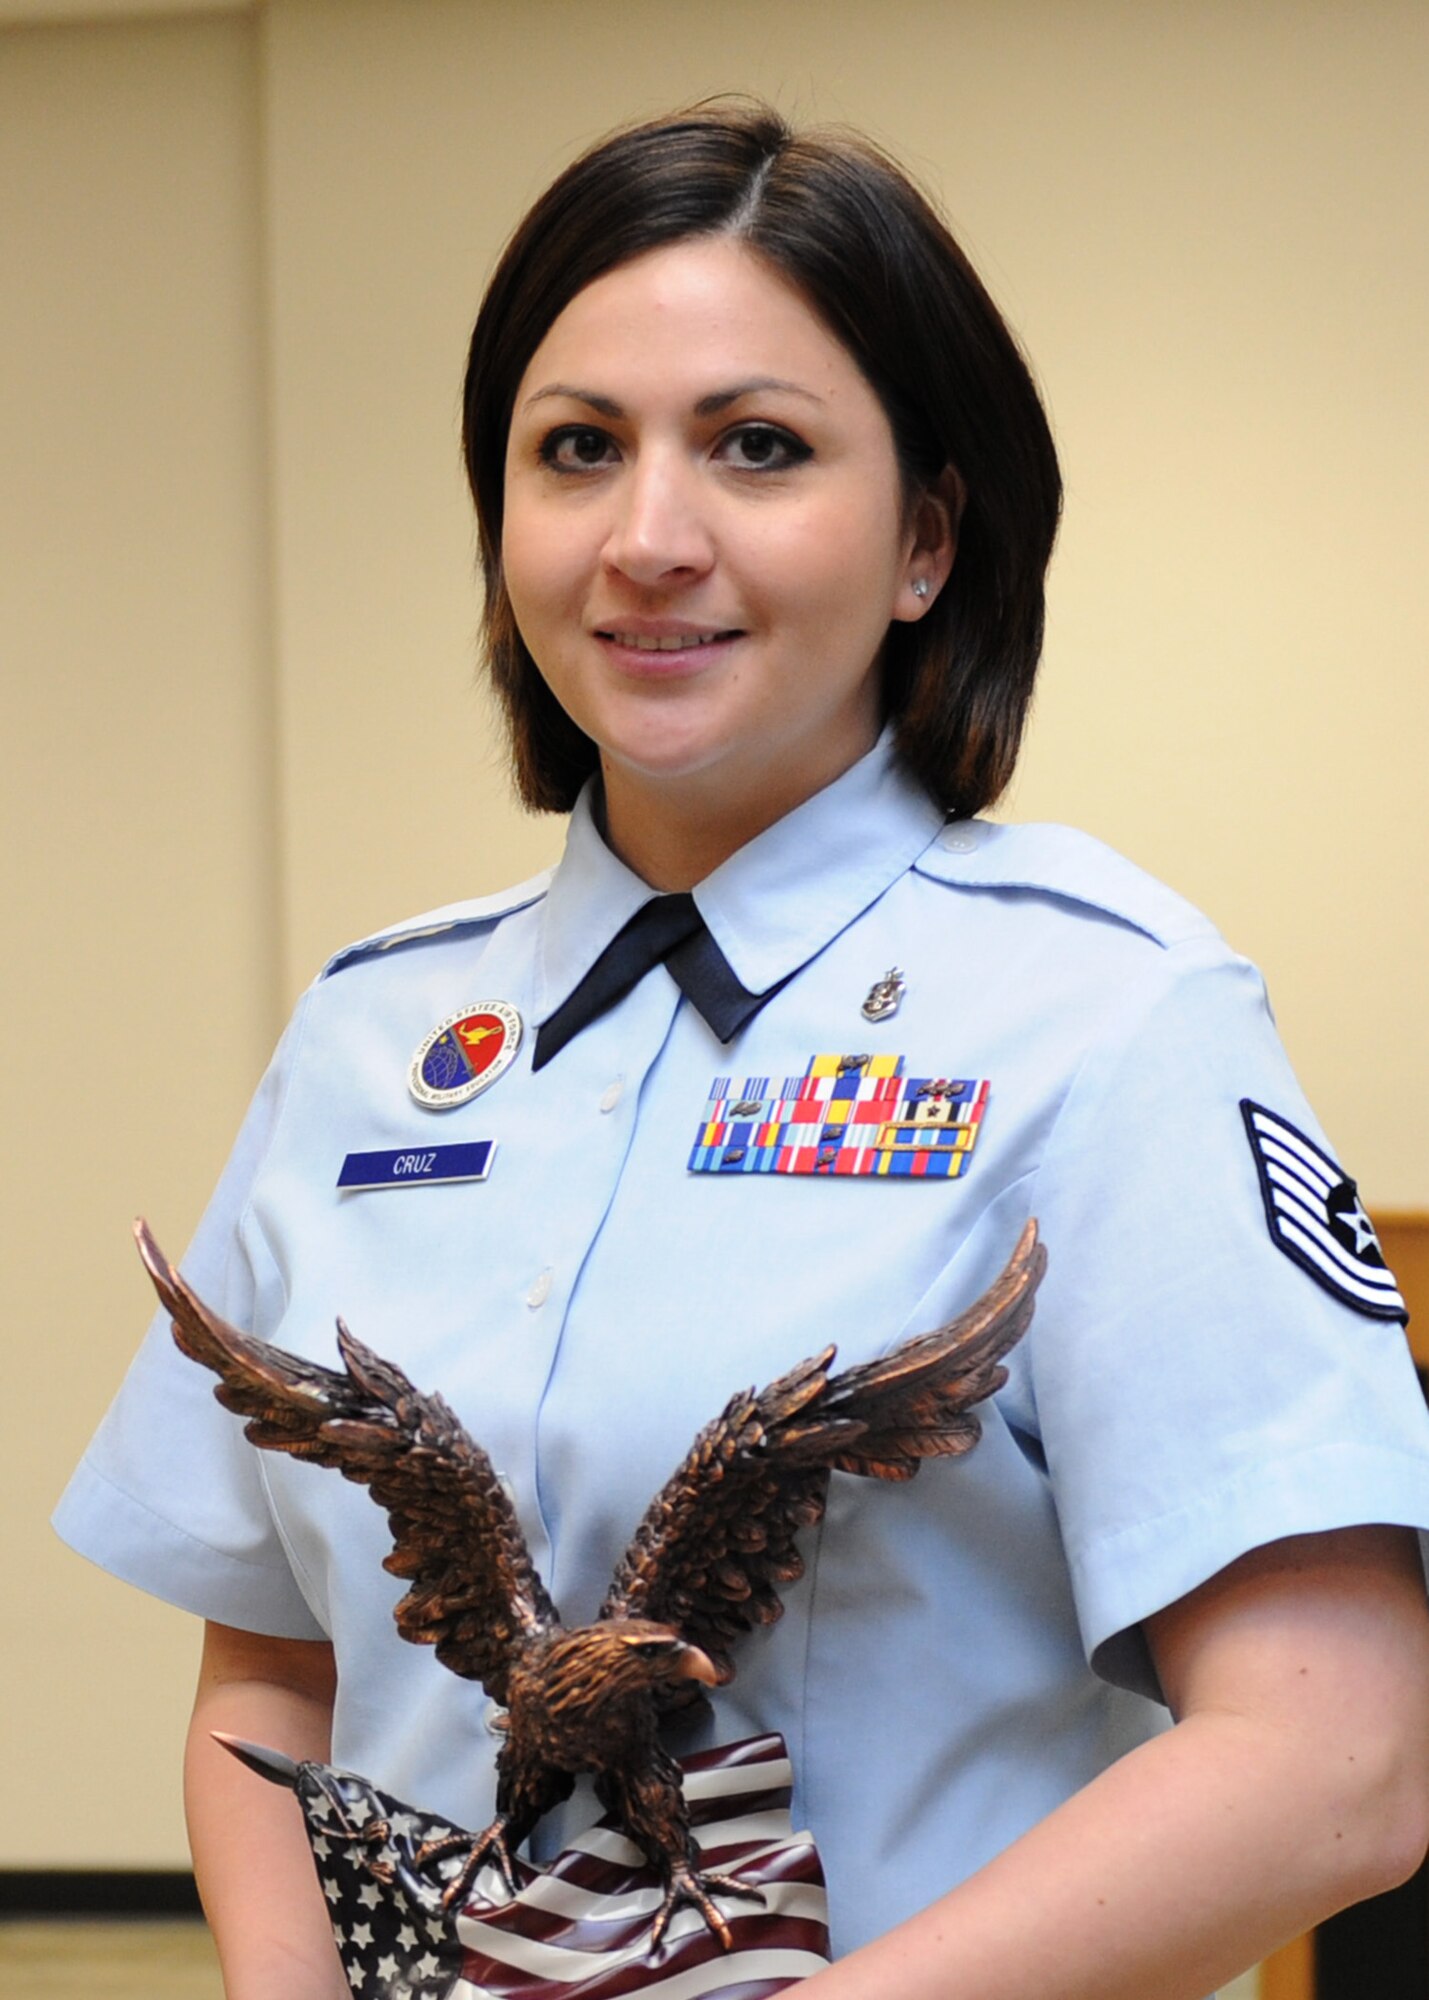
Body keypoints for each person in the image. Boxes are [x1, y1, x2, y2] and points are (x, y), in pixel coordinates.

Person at [56, 101, 1429, 2000]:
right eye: (575, 452)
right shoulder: (371, 1033)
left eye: (756, 449)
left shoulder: (1111, 1018)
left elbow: (1335, 1762)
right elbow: (280, 1671)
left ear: (927, 538)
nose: (647, 539)